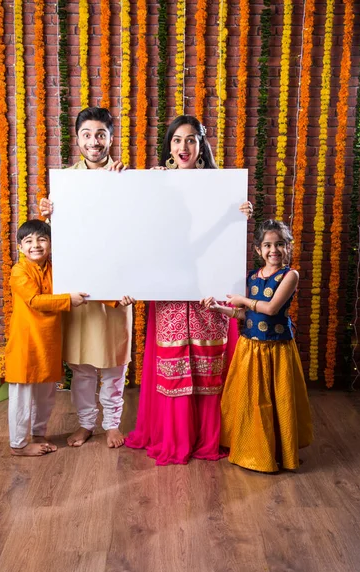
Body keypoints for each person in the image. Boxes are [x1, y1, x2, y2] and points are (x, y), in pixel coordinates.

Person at [125, 115, 253, 465]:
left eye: (191, 140)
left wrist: (241, 213)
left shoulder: (219, 185)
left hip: (207, 286)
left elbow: (221, 235)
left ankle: (210, 435)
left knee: (207, 361)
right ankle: (174, 434)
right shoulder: (158, 182)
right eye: (177, 140)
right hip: (170, 286)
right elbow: (138, 226)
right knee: (173, 361)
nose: (184, 147)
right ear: (169, 146)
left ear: (202, 144)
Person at [40, 107, 134, 449]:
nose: (94, 141)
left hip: (117, 288)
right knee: (80, 367)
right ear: (77, 139)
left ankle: (112, 424)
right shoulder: (65, 183)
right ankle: (85, 424)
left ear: (110, 138)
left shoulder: (127, 177)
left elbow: (143, 231)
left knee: (113, 365)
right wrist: (49, 216)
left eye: (100, 134)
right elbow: (58, 240)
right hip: (80, 289)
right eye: (87, 134)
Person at [202, 219, 313, 472]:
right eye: (267, 245)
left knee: (277, 399)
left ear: (288, 247)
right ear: (257, 250)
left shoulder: (289, 275)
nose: (273, 250)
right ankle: (253, 450)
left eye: (280, 244)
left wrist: (242, 299)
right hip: (250, 348)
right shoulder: (252, 276)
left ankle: (279, 452)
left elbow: (271, 308)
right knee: (252, 400)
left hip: (277, 349)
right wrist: (220, 308)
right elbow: (245, 315)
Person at [5, 220, 89, 456]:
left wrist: (117, 299)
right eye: (29, 241)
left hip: (49, 342)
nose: (36, 245)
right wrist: (67, 300)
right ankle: (18, 445)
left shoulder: (56, 269)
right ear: (20, 246)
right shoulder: (19, 270)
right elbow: (34, 300)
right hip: (26, 342)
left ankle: (38, 433)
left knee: (46, 393)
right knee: (21, 396)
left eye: (42, 239)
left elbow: (84, 289)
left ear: (51, 244)